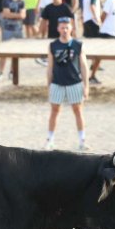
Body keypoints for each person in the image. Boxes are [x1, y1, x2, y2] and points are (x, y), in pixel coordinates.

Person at [46, 17, 89, 152]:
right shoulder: (53, 45)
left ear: (71, 28)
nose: (64, 30)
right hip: (57, 83)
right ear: (58, 29)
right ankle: (50, 140)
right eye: (62, 27)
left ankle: (82, 141)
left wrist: (86, 85)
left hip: (74, 82)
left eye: (67, 27)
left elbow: (84, 66)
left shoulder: (78, 45)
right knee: (54, 111)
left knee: (78, 111)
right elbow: (49, 67)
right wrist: (49, 85)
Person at [0, 0, 25, 80]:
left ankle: (12, 71)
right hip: (7, 29)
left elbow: (23, 15)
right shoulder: (6, 0)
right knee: (4, 52)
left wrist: (13, 15)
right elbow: (6, 14)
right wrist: (17, 15)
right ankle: (0, 72)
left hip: (18, 29)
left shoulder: (22, 1)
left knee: (16, 52)